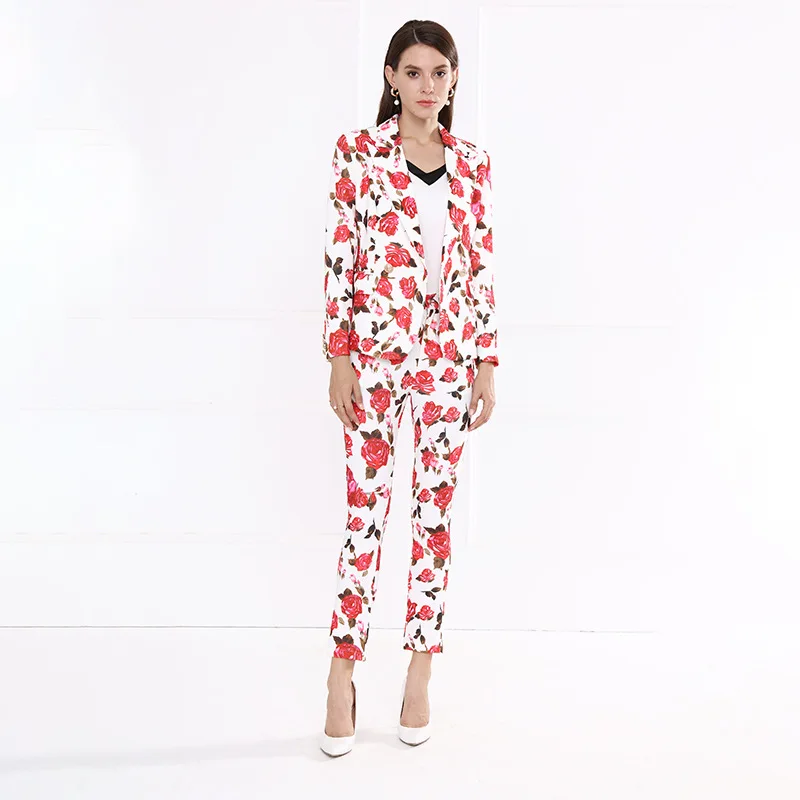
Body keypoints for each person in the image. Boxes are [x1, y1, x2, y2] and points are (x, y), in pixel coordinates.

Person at [319, 19, 499, 756]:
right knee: (364, 517)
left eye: (440, 73)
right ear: (391, 78)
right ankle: (341, 675)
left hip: (448, 363)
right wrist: (338, 355)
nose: (428, 86)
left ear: (453, 80)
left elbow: (480, 265)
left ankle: (419, 674)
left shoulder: (473, 164)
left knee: (434, 520)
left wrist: (486, 359)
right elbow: (340, 258)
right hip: (374, 360)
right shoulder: (358, 155)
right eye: (414, 72)